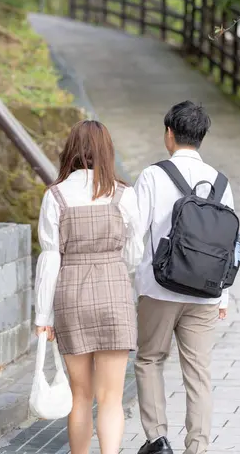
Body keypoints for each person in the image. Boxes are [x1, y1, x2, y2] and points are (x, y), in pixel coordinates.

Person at [35, 120, 143, 454]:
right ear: (107, 153)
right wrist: (113, 266)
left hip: (71, 296)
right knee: (110, 398)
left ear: (71, 151)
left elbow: (50, 259)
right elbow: (135, 253)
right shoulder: (124, 194)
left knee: (80, 396)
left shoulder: (55, 196)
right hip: (114, 292)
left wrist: (43, 316)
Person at [134, 101, 234, 454]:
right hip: (205, 294)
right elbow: (230, 245)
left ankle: (157, 440)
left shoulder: (152, 176)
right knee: (198, 374)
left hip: (159, 289)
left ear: (169, 134)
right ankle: (198, 448)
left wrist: (132, 279)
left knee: (149, 360)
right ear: (201, 137)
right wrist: (224, 296)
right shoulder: (222, 183)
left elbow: (134, 233)